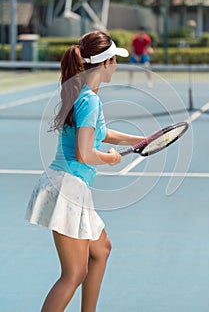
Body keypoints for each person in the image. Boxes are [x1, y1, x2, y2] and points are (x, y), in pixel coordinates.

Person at [25, 30, 146, 312]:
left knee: (101, 250)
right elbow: (85, 153)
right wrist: (109, 159)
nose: (117, 65)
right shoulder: (89, 99)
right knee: (74, 274)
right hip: (68, 188)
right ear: (105, 63)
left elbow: (98, 133)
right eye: (115, 59)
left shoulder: (84, 94)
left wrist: (133, 140)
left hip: (67, 186)